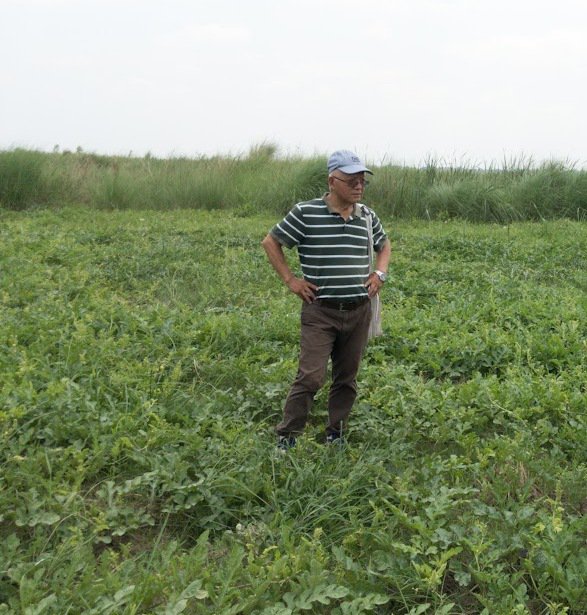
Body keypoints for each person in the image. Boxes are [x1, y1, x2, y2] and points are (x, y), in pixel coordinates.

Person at [261, 150, 391, 450]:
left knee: (347, 378)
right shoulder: (306, 213)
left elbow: (384, 246)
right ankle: (287, 437)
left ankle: (336, 433)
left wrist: (380, 274)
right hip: (321, 312)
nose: (358, 187)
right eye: (351, 181)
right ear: (332, 181)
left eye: (362, 181)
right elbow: (271, 242)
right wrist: (291, 280)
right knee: (310, 376)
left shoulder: (367, 216)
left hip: (358, 311)